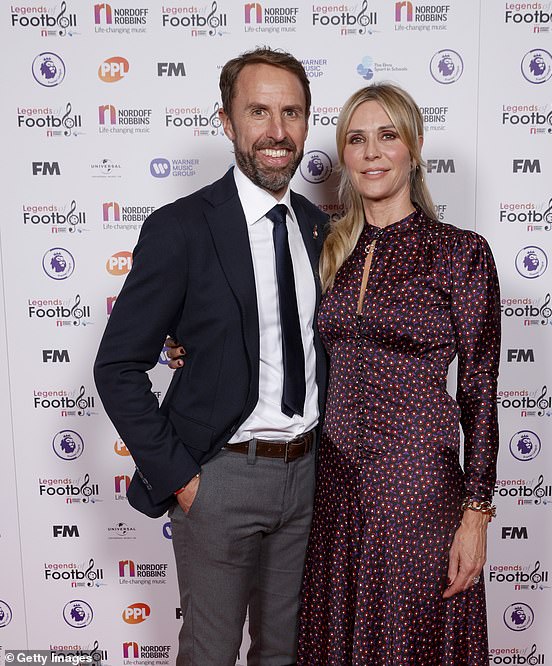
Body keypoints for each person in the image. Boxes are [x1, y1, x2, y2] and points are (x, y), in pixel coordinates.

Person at [93, 48, 328, 666]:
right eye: (259, 112)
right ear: (226, 121)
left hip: (308, 478)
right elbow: (117, 365)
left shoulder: (319, 228)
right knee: (210, 651)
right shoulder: (182, 228)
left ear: (307, 122)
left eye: (292, 113)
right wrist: (182, 479)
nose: (277, 132)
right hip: (220, 475)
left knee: (285, 652)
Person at [295, 83, 501, 664]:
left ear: (413, 146)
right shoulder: (332, 250)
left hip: (418, 497)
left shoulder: (459, 253)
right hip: (335, 495)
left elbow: (480, 389)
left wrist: (476, 515)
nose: (372, 152)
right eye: (356, 140)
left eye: (387, 136)